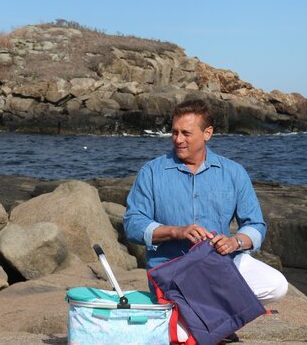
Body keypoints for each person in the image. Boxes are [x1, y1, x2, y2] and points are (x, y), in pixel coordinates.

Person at [123, 98, 287, 342]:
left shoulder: (233, 172)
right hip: (173, 272)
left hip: (219, 266)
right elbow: (133, 224)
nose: (178, 139)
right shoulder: (152, 172)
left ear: (207, 133)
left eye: (186, 133)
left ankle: (209, 320)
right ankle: (212, 321)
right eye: (174, 132)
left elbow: (255, 225)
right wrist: (175, 232)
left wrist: (236, 243)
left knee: (277, 285)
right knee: (178, 336)